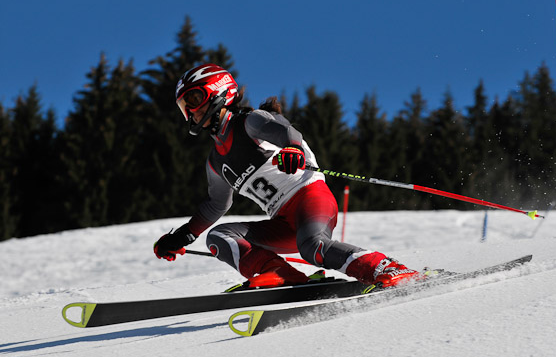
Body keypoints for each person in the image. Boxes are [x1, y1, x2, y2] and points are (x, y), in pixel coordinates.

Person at [153, 63, 422, 289]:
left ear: (218, 91)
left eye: (194, 100)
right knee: (220, 237)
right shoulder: (216, 162)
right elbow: (216, 204)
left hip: (309, 196)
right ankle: (281, 276)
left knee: (313, 247)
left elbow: (286, 132)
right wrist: (184, 236)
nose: (190, 111)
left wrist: (293, 149)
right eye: (184, 106)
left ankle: (386, 269)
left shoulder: (250, 122)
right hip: (282, 221)